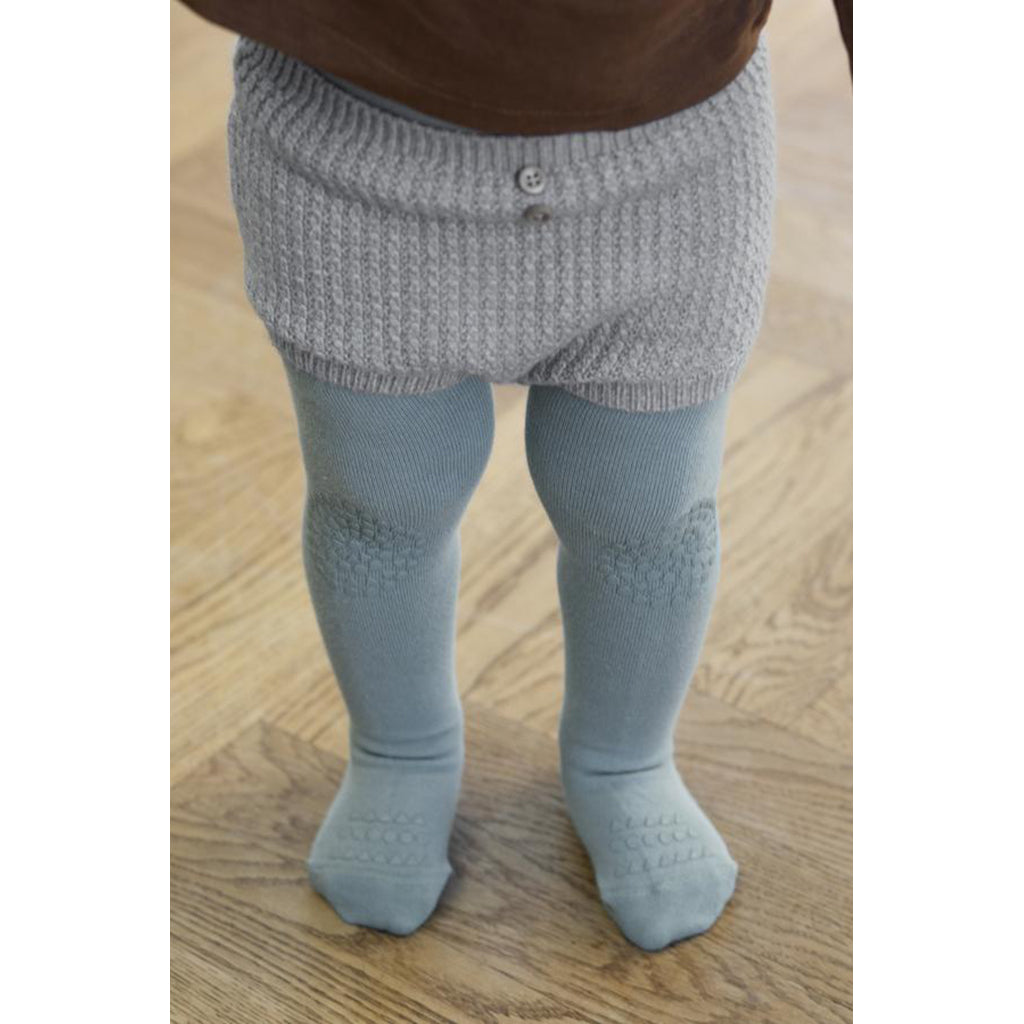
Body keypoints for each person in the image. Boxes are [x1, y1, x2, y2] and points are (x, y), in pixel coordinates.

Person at [178, 0, 852, 951]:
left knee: (646, 516)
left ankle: (624, 758)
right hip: (347, 155)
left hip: (673, 162)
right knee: (377, 506)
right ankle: (401, 750)